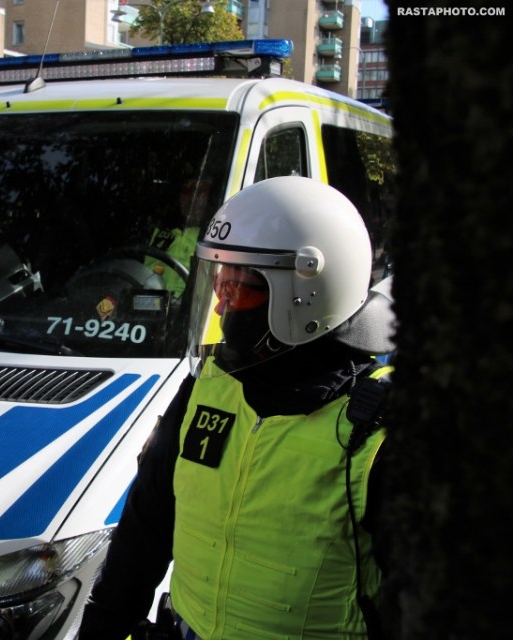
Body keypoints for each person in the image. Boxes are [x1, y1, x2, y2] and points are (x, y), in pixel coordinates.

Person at [78, 176, 396, 640]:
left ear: (307, 295)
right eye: (219, 283)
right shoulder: (208, 387)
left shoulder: (378, 427)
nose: (224, 305)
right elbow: (144, 530)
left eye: (240, 288)